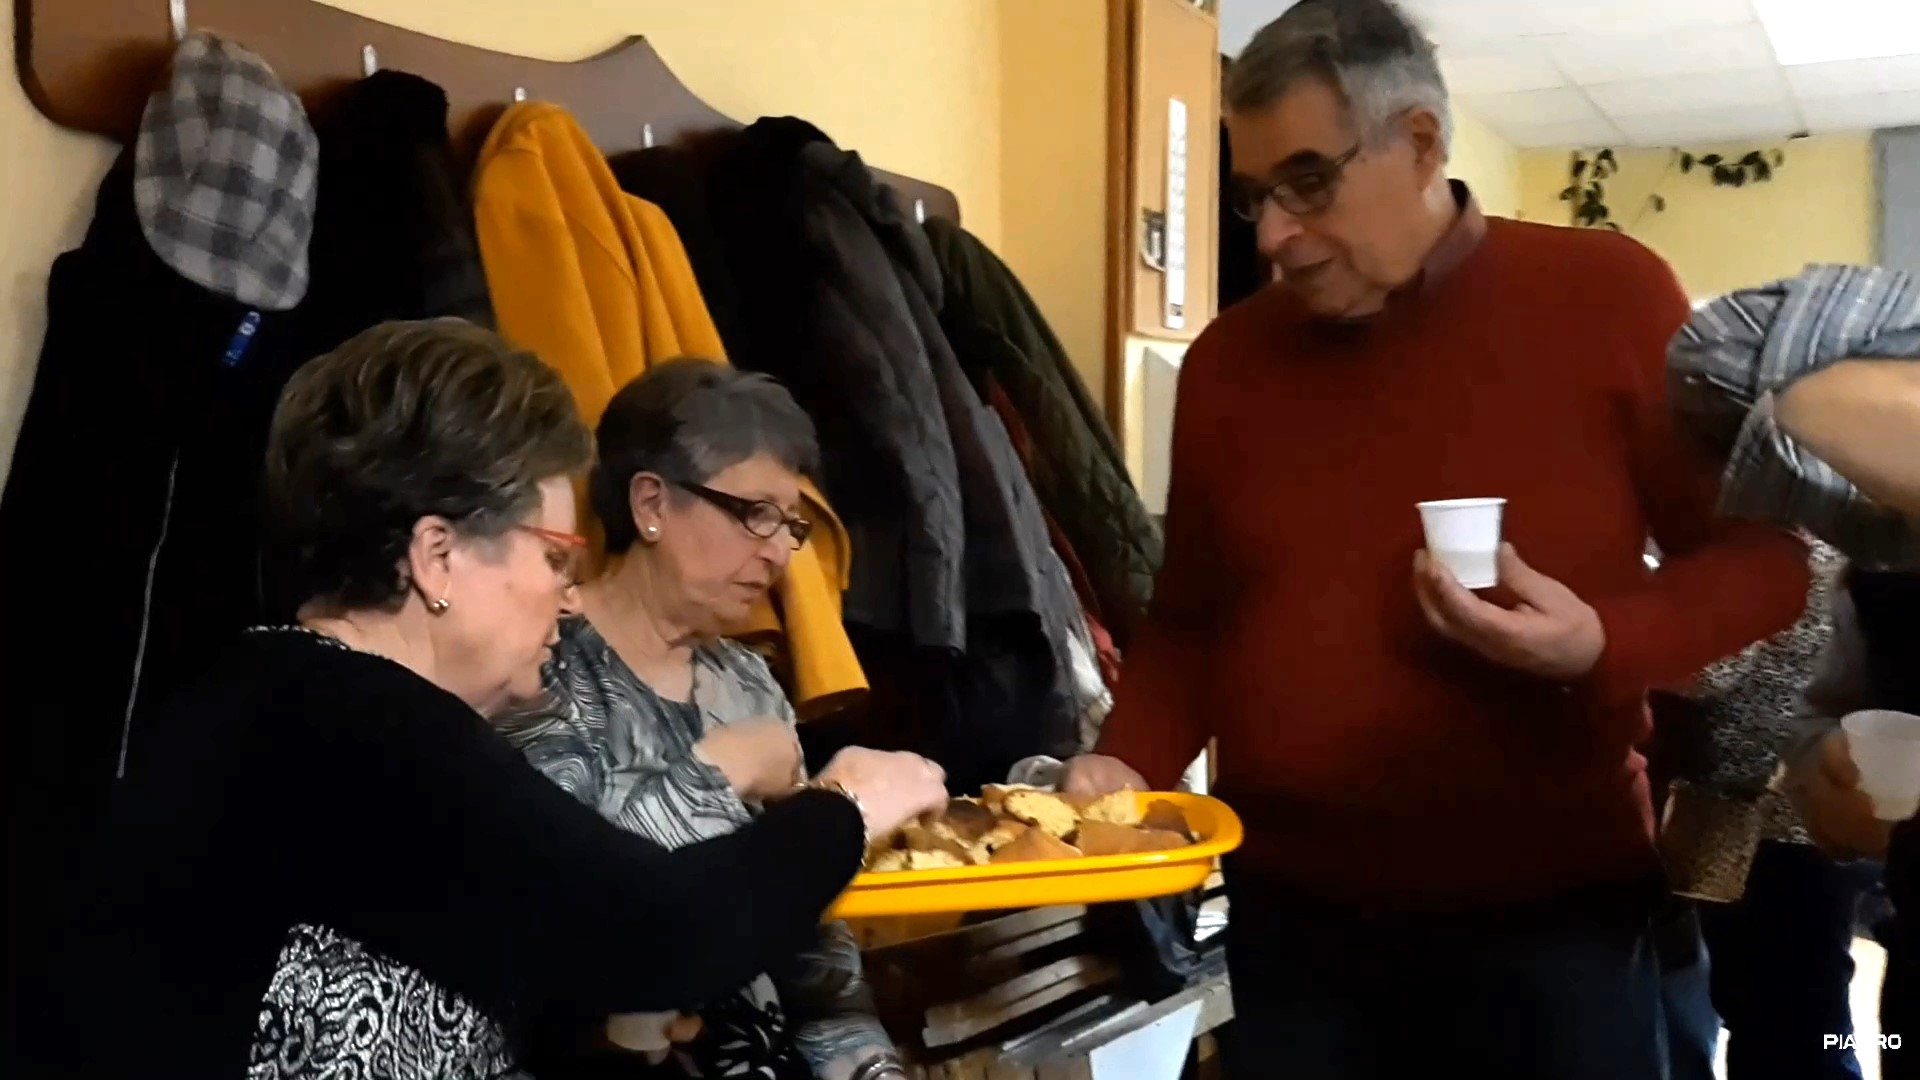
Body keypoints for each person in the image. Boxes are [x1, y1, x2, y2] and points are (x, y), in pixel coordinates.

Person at [1060, 2, 1810, 1076]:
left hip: (1553, 917)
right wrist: (1122, 763)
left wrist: (1603, 640)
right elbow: (1191, 622)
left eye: (1308, 182)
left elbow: (1762, 563)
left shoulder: (1607, 296)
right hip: (1295, 926)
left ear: (1418, 144)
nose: (1271, 235)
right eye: (1255, 194)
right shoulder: (1228, 364)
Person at [13, 320, 948, 1079]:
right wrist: (847, 805)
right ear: (437, 557)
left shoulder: (290, 695)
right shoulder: (353, 723)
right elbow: (662, 930)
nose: (567, 597)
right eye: (553, 558)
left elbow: (522, 951)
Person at [501, 359, 905, 1080]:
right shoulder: (540, 667)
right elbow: (578, 910)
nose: (778, 552)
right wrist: (726, 766)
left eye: (791, 525)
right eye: (756, 514)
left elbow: (813, 941)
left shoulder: (749, 681)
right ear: (651, 503)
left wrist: (871, 1067)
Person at [1669, 264, 1920, 1075]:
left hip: (1767, 820)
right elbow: (1834, 696)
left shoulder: (1790, 543)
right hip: (1766, 809)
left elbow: (1723, 667)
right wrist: (1823, 753)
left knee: (1788, 1007)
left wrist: (1634, 639)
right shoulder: (1873, 555)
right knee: (1770, 999)